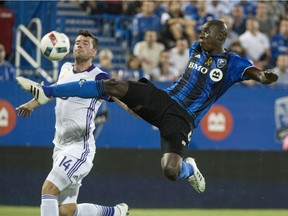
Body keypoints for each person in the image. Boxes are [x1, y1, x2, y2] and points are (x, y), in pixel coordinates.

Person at [16, 20, 278, 194]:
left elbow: (256, 73)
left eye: (206, 31)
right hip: (163, 99)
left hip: (182, 119)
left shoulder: (232, 63)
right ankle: (46, 92)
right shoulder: (197, 47)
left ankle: (190, 170)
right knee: (112, 84)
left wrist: (264, 76)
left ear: (220, 36)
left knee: (170, 170)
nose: (200, 35)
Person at [16, 30, 128, 216]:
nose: (79, 45)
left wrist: (142, 111)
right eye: (77, 42)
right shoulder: (65, 69)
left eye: (85, 43)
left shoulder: (100, 77)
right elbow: (52, 91)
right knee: (66, 211)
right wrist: (31, 104)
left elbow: (121, 99)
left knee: (48, 189)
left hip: (79, 147)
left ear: (94, 52)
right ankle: (115, 212)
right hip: (59, 146)